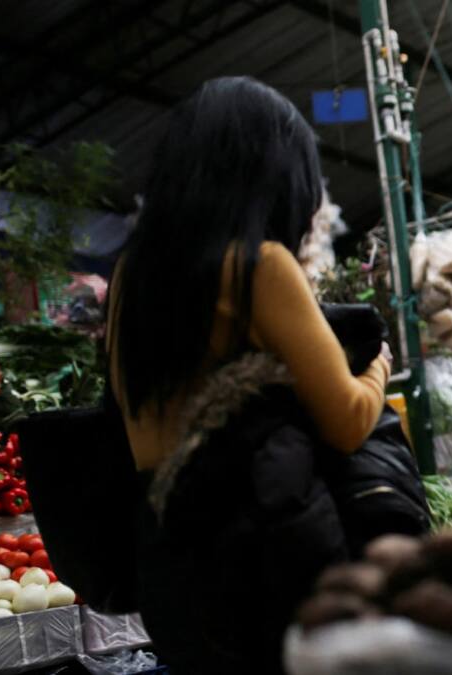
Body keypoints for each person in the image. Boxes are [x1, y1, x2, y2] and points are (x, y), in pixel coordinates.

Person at [105, 77, 392, 673]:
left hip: (165, 555)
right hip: (263, 549)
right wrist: (378, 365)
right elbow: (348, 421)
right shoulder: (258, 266)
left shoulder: (129, 276)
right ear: (273, 173)